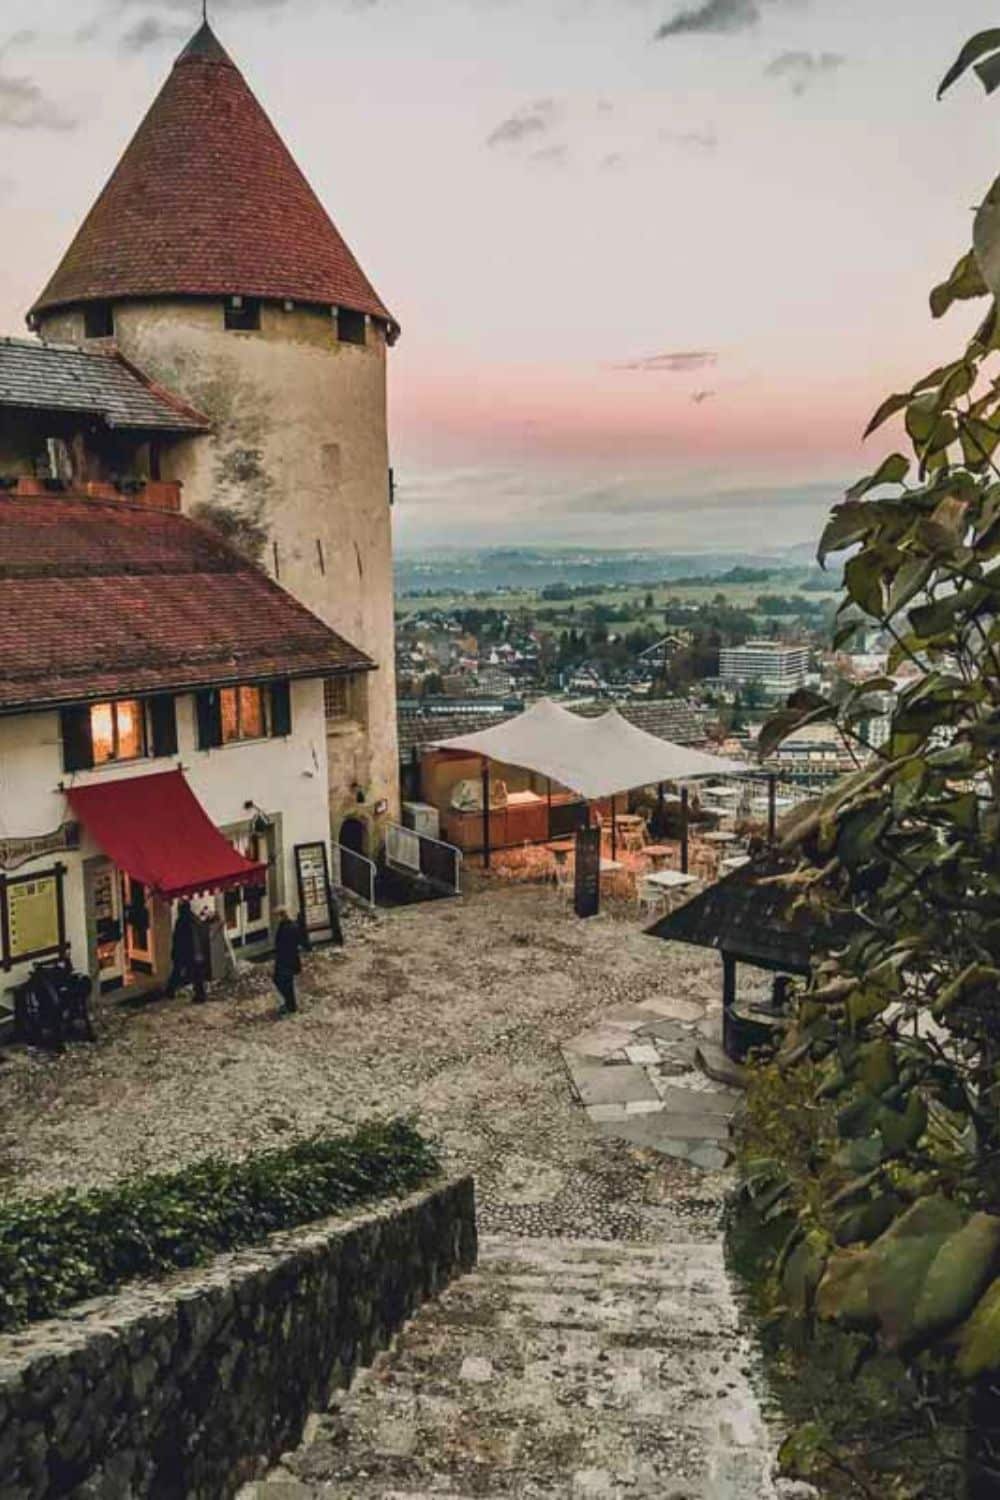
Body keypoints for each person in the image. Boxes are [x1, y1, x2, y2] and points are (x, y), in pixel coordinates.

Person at [166, 900, 206, 1004]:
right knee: (195, 974)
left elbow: (178, 938)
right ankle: (199, 994)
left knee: (179, 971)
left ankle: (171, 990)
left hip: (186, 952)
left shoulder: (182, 921)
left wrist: (175, 952)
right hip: (195, 952)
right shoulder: (194, 919)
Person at [273, 908, 302, 1015]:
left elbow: (283, 943)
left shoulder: (288, 927)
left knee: (283, 982)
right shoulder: (290, 926)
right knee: (284, 982)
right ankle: (290, 1004)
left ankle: (291, 1006)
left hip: (286, 960)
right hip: (288, 959)